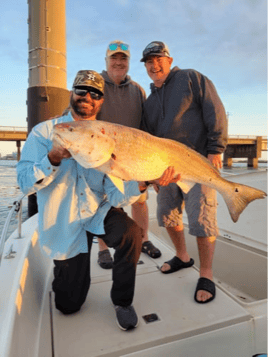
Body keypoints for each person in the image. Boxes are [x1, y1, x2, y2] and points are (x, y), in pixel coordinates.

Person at [17, 69, 179, 331]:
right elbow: (24, 182)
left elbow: (115, 194)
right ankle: (67, 274)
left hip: (97, 211)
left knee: (131, 233)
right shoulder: (45, 132)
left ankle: (122, 301)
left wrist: (143, 181)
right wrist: (53, 159)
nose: (87, 97)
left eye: (95, 93)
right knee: (68, 306)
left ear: (101, 101)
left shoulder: (107, 136)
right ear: (73, 92)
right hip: (64, 220)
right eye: (81, 90)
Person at [140, 41, 228, 304]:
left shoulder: (191, 78)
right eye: (148, 61)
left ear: (169, 60)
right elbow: (148, 138)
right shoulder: (150, 101)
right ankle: (182, 256)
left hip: (197, 162)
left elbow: (215, 110)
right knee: (166, 214)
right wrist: (152, 174)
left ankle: (206, 273)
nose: (154, 65)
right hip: (166, 168)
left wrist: (216, 148)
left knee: (201, 218)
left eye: (158, 59)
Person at [96, 40, 162, 270]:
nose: (118, 62)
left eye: (123, 59)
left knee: (140, 201)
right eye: (114, 58)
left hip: (134, 158)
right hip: (105, 157)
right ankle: (103, 248)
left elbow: (144, 127)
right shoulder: (96, 85)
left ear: (128, 62)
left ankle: (144, 239)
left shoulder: (138, 90)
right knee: (102, 201)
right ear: (106, 60)